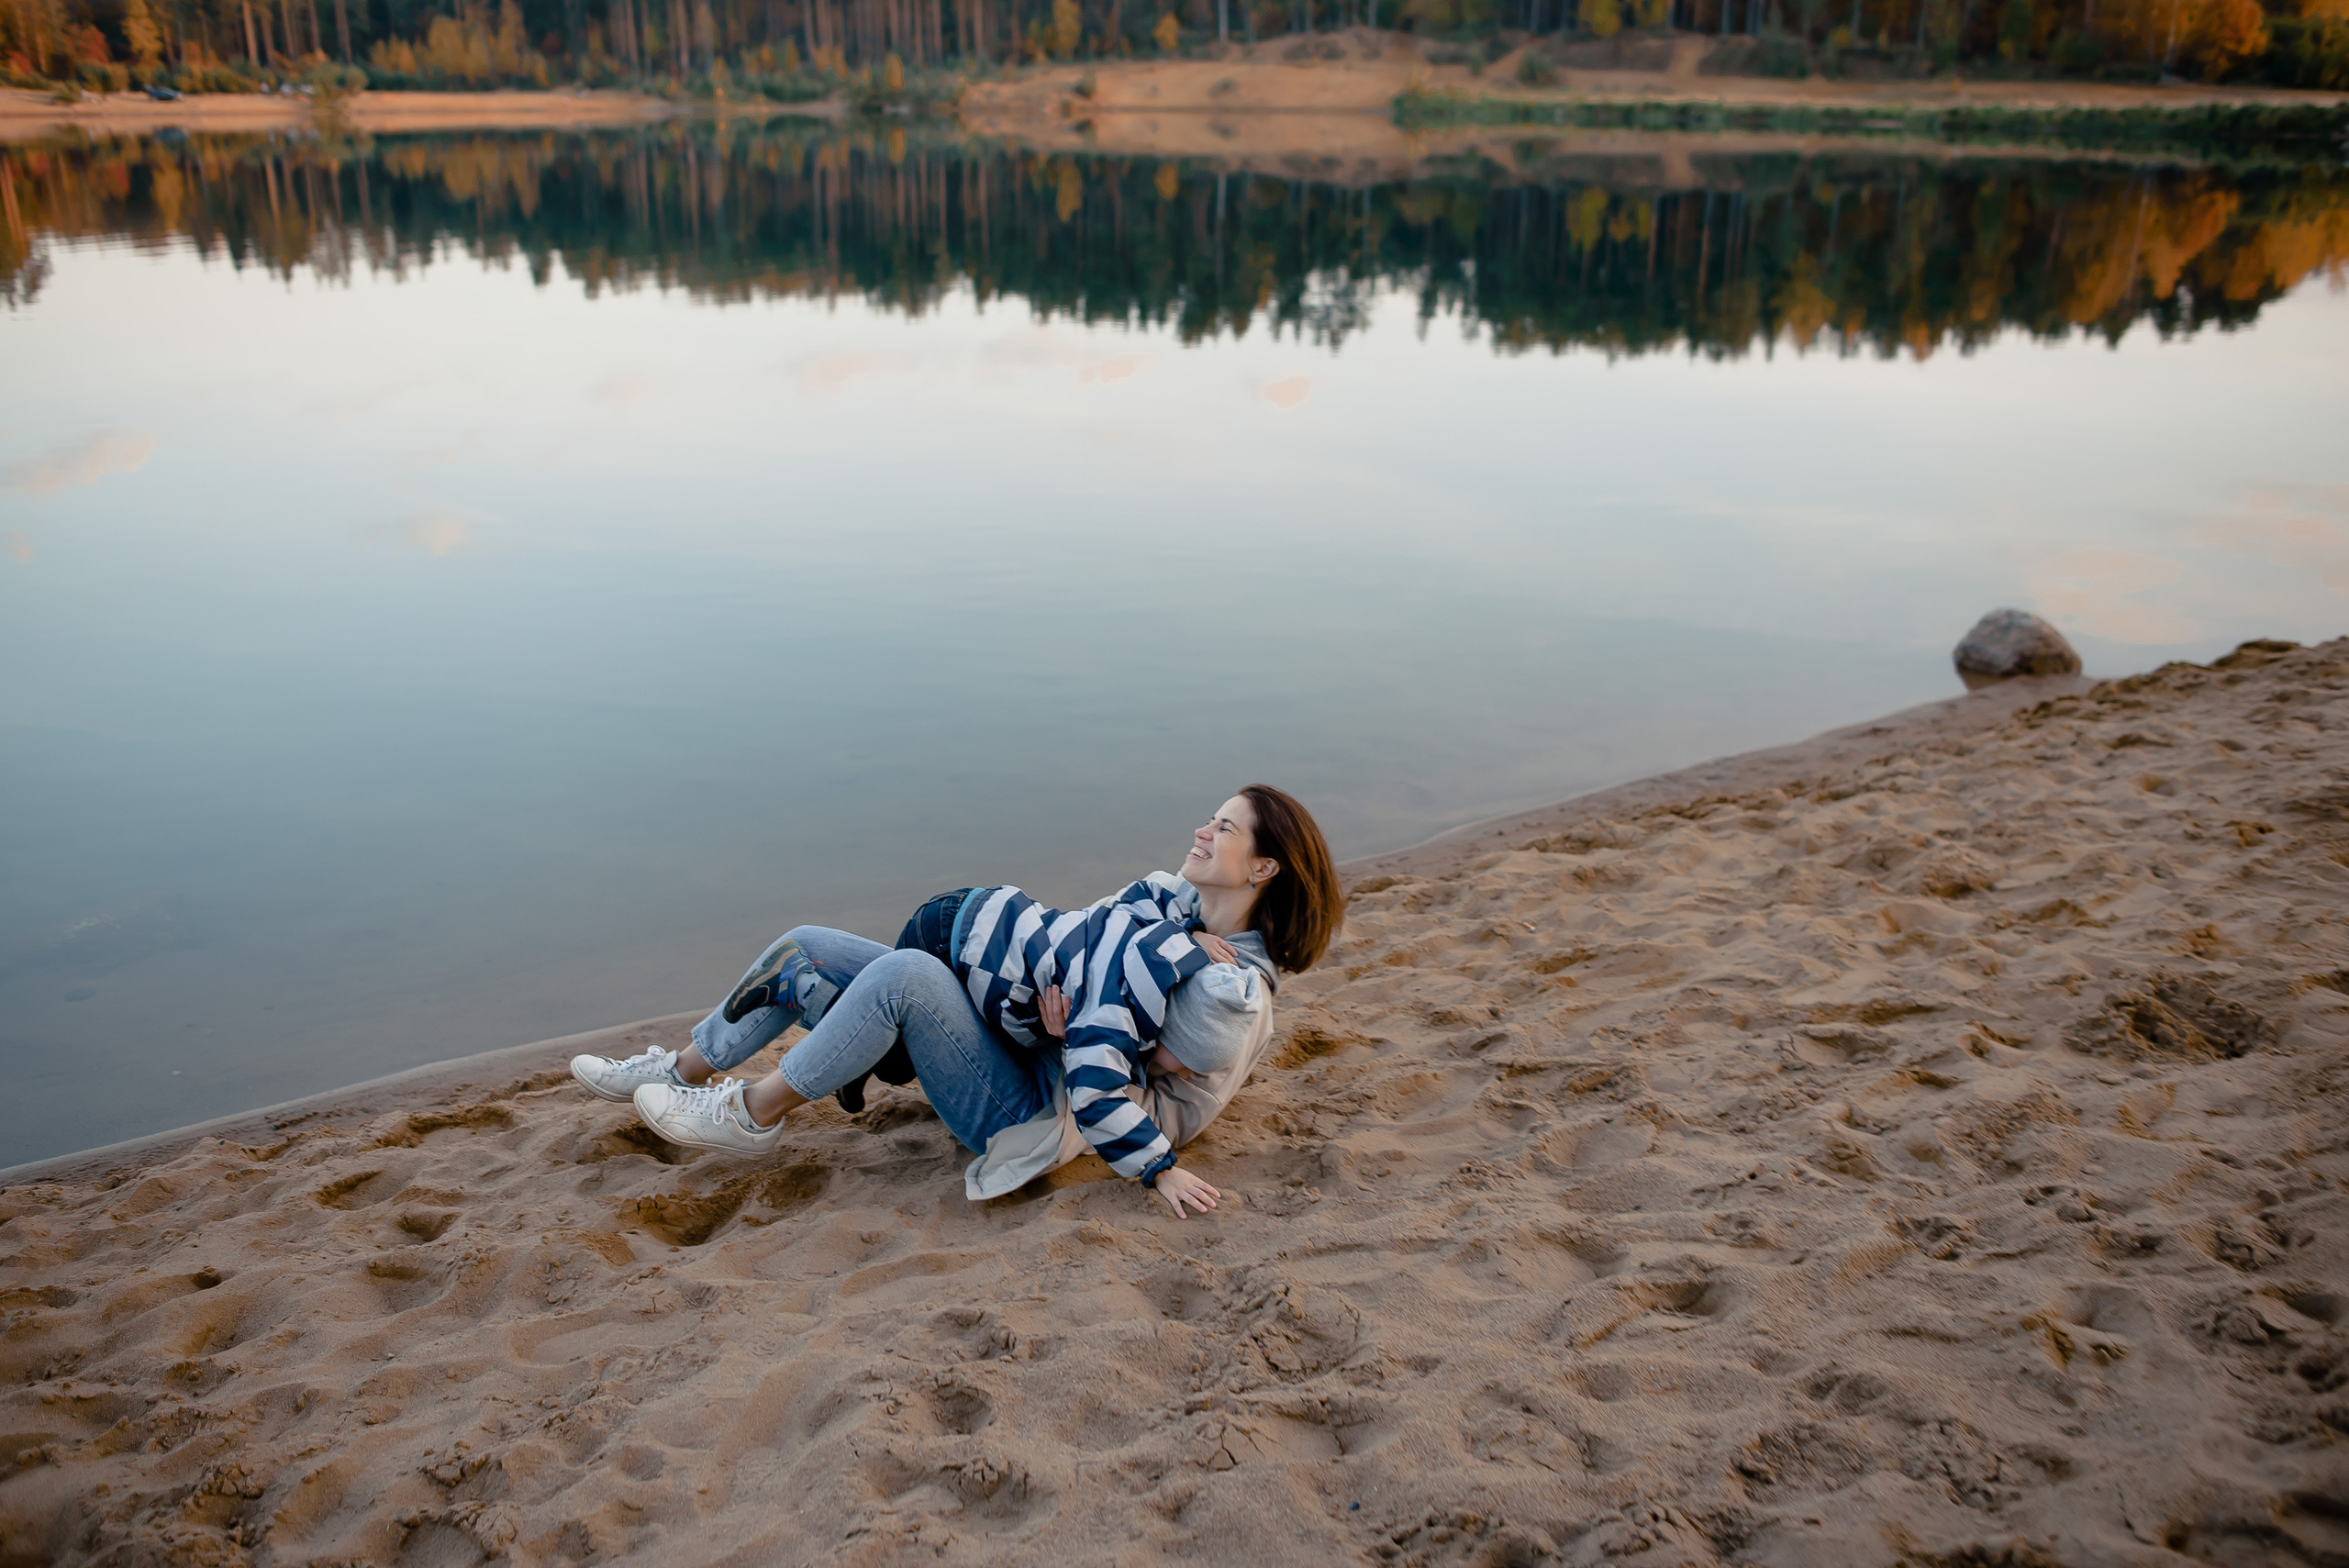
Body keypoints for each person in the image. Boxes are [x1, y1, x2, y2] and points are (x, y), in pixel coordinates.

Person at [568, 785, 1342, 1218]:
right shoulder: (1178, 913)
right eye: (1212, 817)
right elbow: (1085, 958)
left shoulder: (1227, 992)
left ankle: (751, 1116)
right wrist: (1063, 995)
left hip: (1034, 1104)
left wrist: (1159, 1170)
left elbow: (1125, 1068)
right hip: (1024, 1042)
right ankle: (675, 1069)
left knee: (906, 974)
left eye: (1225, 826)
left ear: (1264, 867)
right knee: (808, 941)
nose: (1203, 829)